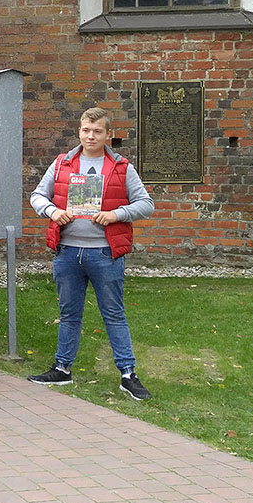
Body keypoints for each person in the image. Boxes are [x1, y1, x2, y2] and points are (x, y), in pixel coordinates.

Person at [28, 107, 154, 401]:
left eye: (97, 131)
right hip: (68, 251)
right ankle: (62, 368)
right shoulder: (62, 163)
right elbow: (37, 196)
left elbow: (146, 204)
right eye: (86, 130)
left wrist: (116, 214)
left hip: (104, 252)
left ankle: (128, 374)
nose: (91, 136)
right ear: (79, 131)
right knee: (69, 313)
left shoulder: (122, 167)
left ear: (108, 134)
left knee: (114, 314)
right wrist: (53, 211)